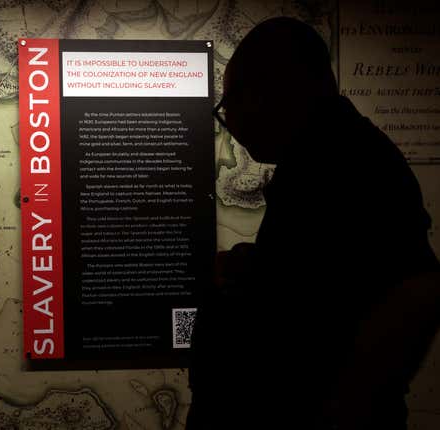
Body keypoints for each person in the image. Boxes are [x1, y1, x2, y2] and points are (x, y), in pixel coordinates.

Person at [187, 17, 440, 429]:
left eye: (230, 102)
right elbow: (333, 279)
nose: (229, 120)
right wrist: (262, 267)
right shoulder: (321, 158)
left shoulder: (347, 162)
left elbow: (416, 289)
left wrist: (342, 408)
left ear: (271, 91)